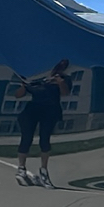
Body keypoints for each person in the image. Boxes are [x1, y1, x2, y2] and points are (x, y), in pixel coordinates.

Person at [10, 59, 70, 188]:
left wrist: (60, 82)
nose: (59, 68)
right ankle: (21, 169)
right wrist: (24, 85)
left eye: (62, 66)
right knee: (26, 138)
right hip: (34, 108)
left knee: (45, 139)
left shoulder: (64, 78)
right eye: (59, 65)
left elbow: (65, 93)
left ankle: (43, 170)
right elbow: (18, 95)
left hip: (51, 109)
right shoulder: (40, 78)